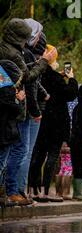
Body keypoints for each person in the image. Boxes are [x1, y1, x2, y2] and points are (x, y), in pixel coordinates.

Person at [0, 18, 55, 206]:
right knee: (16, 151)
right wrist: (45, 62)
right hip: (13, 109)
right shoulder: (14, 54)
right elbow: (28, 78)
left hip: (12, 107)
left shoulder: (8, 49)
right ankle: (11, 191)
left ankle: (7, 192)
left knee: (11, 151)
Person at [28, 45, 78, 203]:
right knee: (52, 155)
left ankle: (32, 190)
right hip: (56, 123)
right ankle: (45, 191)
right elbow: (69, 94)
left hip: (41, 120)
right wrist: (71, 78)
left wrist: (60, 75)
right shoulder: (56, 78)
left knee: (38, 155)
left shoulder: (39, 74)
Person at [0, 60, 26, 207]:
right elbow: (16, 111)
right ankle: (4, 194)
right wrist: (18, 100)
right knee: (1, 163)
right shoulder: (7, 90)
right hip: (5, 133)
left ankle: (3, 195)